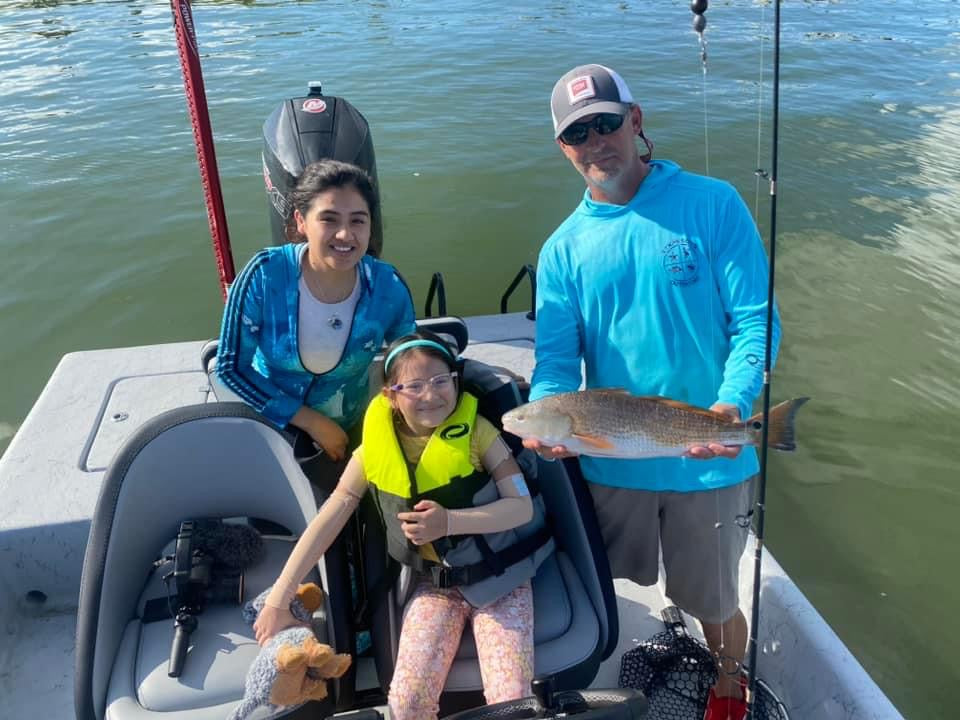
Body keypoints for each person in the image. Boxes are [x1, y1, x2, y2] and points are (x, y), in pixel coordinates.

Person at [524, 64, 781, 720]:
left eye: (606, 122)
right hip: (613, 463)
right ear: (563, 147)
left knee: (718, 602)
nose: (596, 140)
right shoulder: (561, 251)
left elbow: (756, 319)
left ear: (635, 121)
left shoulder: (713, 202)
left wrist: (733, 405)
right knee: (604, 588)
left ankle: (727, 682)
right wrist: (544, 424)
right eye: (577, 132)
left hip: (711, 457)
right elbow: (555, 366)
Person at [254, 331, 547, 720]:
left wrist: (448, 522)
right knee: (406, 704)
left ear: (455, 382)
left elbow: (520, 508)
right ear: (391, 394)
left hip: (502, 581)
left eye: (442, 381)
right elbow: (330, 517)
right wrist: (278, 599)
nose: (431, 395)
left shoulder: (480, 433)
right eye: (414, 386)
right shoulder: (373, 448)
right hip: (435, 586)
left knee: (512, 703)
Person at [216, 159, 416, 471]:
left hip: (351, 422)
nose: (345, 235)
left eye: (358, 221)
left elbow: (408, 359)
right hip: (270, 424)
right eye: (329, 219)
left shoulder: (386, 285)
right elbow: (230, 367)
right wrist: (311, 422)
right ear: (301, 221)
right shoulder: (264, 276)